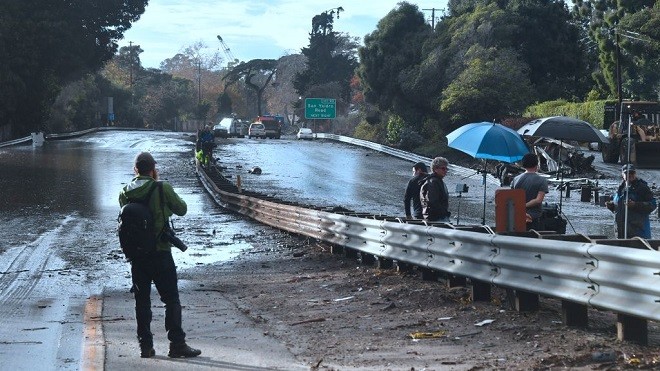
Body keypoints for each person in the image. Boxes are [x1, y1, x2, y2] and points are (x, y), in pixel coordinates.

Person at [118, 152, 202, 359]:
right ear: (153, 168)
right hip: (161, 252)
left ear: (135, 169)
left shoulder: (125, 191)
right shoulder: (161, 187)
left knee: (142, 302)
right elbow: (182, 209)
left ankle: (145, 347)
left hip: (137, 257)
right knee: (171, 298)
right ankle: (177, 344)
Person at [606, 164, 656, 239]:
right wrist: (612, 206)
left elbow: (653, 205)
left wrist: (635, 205)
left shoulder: (642, 188)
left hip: (639, 236)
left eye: (632, 173)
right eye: (627, 173)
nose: (630, 175)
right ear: (622, 174)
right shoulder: (620, 189)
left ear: (635, 174)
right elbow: (619, 209)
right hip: (621, 235)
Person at [511, 153, 549, 231]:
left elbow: (512, 199)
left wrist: (520, 207)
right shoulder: (542, 180)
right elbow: (538, 200)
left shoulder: (516, 179)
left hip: (517, 216)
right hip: (534, 217)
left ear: (523, 164)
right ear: (536, 164)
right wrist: (524, 206)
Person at [420, 157, 451, 223]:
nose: (445, 171)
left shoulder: (438, 181)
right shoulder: (433, 182)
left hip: (438, 216)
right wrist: (443, 213)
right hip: (435, 218)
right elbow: (432, 201)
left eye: (446, 169)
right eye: (443, 168)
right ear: (435, 169)